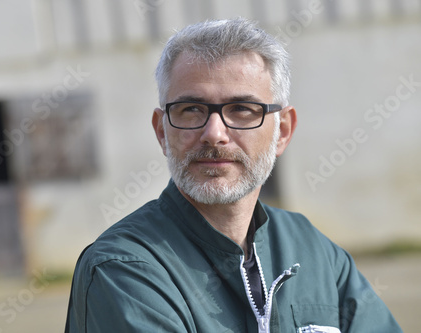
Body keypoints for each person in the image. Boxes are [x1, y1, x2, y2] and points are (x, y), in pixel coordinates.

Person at [65, 18, 401, 333]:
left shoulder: (314, 251)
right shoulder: (125, 268)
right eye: (191, 109)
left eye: (242, 109)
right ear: (162, 132)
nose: (214, 133)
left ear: (282, 131)